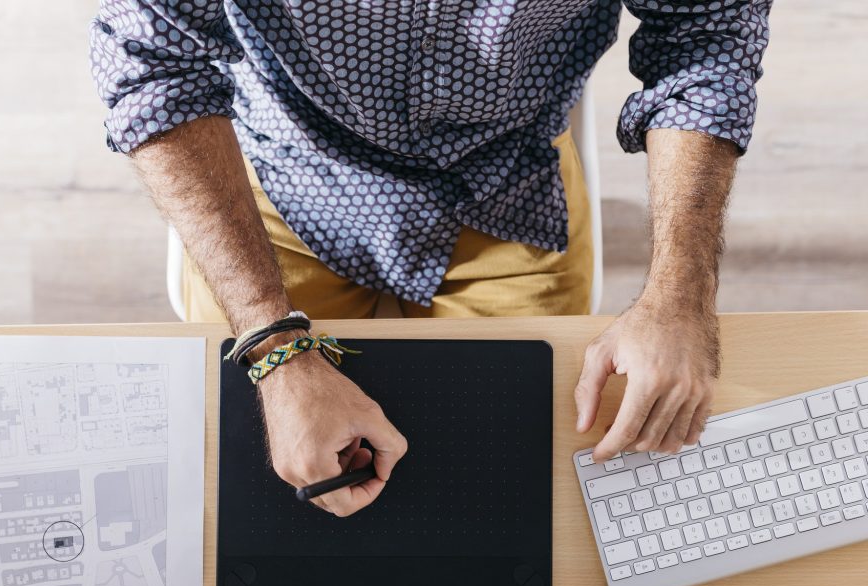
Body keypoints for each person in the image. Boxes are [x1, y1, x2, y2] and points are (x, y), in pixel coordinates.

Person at [90, 0, 772, 516]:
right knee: (246, 490)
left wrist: (682, 297)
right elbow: (152, 65)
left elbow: (705, 37)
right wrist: (271, 343)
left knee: (516, 488)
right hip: (283, 180)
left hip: (509, 183)